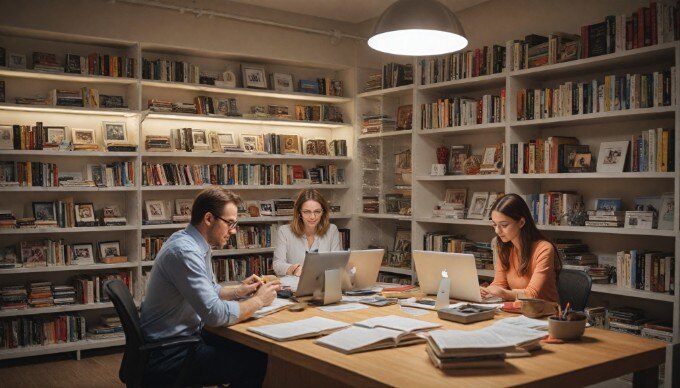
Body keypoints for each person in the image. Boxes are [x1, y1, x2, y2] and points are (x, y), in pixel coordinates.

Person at [140, 187, 280, 387]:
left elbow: (211, 290)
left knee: (252, 349)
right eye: (230, 223)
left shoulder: (191, 242)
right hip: (168, 354)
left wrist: (239, 291)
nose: (233, 231)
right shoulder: (185, 252)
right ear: (208, 218)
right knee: (254, 360)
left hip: (180, 340)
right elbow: (214, 314)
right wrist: (259, 301)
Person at [480, 193, 561, 303]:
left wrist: (502, 293)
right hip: (517, 312)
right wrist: (486, 291)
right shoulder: (504, 247)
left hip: (544, 315)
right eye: (494, 224)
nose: (497, 231)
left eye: (504, 225)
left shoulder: (544, 249)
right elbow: (499, 284)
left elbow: (531, 294)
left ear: (521, 222)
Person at [272, 189, 341, 276]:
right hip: (294, 285)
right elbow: (277, 264)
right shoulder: (284, 231)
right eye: (307, 212)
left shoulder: (332, 230)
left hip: (323, 284)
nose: (312, 217)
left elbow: (337, 263)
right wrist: (294, 269)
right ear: (299, 213)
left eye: (317, 211)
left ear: (323, 212)